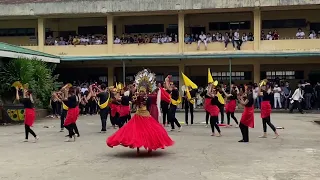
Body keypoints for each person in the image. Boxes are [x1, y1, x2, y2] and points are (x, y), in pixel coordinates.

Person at [107, 69, 174, 154]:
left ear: (146, 91)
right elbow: (133, 103)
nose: (141, 93)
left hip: (146, 114)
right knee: (136, 131)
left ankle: (149, 147)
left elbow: (149, 106)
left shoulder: (148, 98)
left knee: (149, 132)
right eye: (140, 91)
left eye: (143, 91)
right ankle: (138, 147)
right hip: (138, 115)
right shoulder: (137, 97)